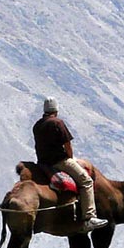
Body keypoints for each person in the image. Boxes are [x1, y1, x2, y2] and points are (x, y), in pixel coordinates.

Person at [34, 98, 109, 232]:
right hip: (59, 161)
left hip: (43, 163)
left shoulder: (37, 125)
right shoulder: (57, 123)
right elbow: (67, 145)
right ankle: (89, 217)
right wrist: (70, 158)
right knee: (86, 181)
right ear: (56, 110)